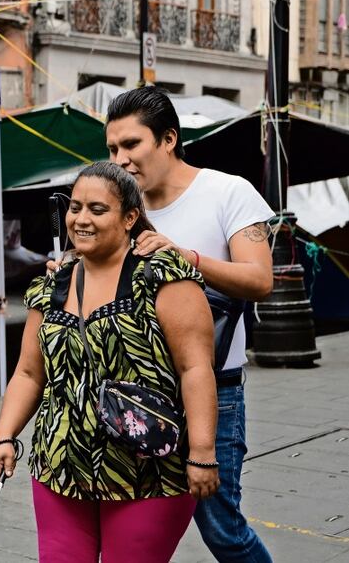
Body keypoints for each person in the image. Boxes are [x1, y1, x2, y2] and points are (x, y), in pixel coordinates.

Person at [0, 161, 219, 562]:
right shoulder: (50, 286)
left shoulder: (162, 276)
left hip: (146, 471)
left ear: (130, 217)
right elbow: (29, 373)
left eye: (97, 209)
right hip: (59, 466)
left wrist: (201, 452)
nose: (81, 219)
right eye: (75, 207)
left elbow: (195, 368)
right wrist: (5, 435)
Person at [105, 86, 274, 562]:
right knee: (136, 521)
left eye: (131, 145)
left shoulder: (227, 191)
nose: (121, 159)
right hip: (134, 389)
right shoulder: (119, 207)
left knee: (220, 526)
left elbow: (260, 280)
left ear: (168, 139)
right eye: (112, 149)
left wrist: (186, 257)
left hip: (215, 387)